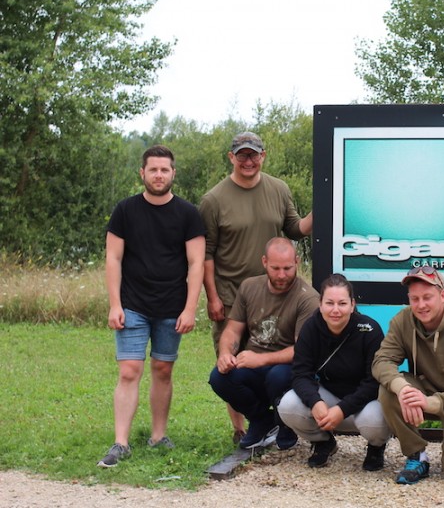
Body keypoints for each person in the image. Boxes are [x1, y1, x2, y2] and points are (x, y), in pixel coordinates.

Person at [200, 131, 313, 441]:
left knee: (274, 365)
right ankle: (242, 429)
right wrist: (211, 296)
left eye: (254, 154)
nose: (248, 160)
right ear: (231, 158)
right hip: (231, 295)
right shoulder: (213, 199)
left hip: (278, 294)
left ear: (263, 155)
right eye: (242, 155)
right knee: (229, 365)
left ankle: (278, 421)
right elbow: (205, 254)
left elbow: (295, 228)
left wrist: (323, 208)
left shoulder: (279, 189)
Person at [99, 145, 205, 467]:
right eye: (153, 169)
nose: (159, 175)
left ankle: (159, 436)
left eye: (165, 170)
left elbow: (197, 263)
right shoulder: (125, 211)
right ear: (142, 173)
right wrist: (115, 304)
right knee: (129, 371)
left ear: (173, 174)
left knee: (163, 369)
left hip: (172, 307)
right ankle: (121, 443)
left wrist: (190, 309)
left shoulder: (188, 214)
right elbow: (113, 258)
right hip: (132, 304)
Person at [372, 266, 444, 484]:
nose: (421, 305)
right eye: (414, 299)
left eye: (427, 297)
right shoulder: (402, 321)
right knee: (389, 390)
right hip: (424, 392)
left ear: (443, 295)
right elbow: (382, 361)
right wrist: (404, 389)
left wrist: (430, 402)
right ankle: (417, 455)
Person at [208, 237, 319, 451]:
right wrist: (224, 354)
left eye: (287, 268)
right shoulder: (249, 287)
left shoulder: (308, 298)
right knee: (219, 378)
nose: (281, 275)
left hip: (288, 368)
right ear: (264, 262)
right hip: (253, 363)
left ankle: (285, 422)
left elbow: (302, 351)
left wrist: (260, 359)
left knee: (277, 376)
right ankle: (261, 420)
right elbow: (232, 330)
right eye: (275, 268)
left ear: (297, 262)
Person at [278, 274, 390, 470]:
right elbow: (300, 374)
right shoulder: (311, 327)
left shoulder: (370, 330)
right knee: (288, 405)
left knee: (375, 421)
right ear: (320, 304)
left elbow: (374, 382)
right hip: (329, 396)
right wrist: (315, 402)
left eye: (342, 303)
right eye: (329, 303)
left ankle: (376, 447)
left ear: (352, 304)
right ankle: (323, 442)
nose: (335, 310)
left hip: (364, 403)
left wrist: (343, 409)